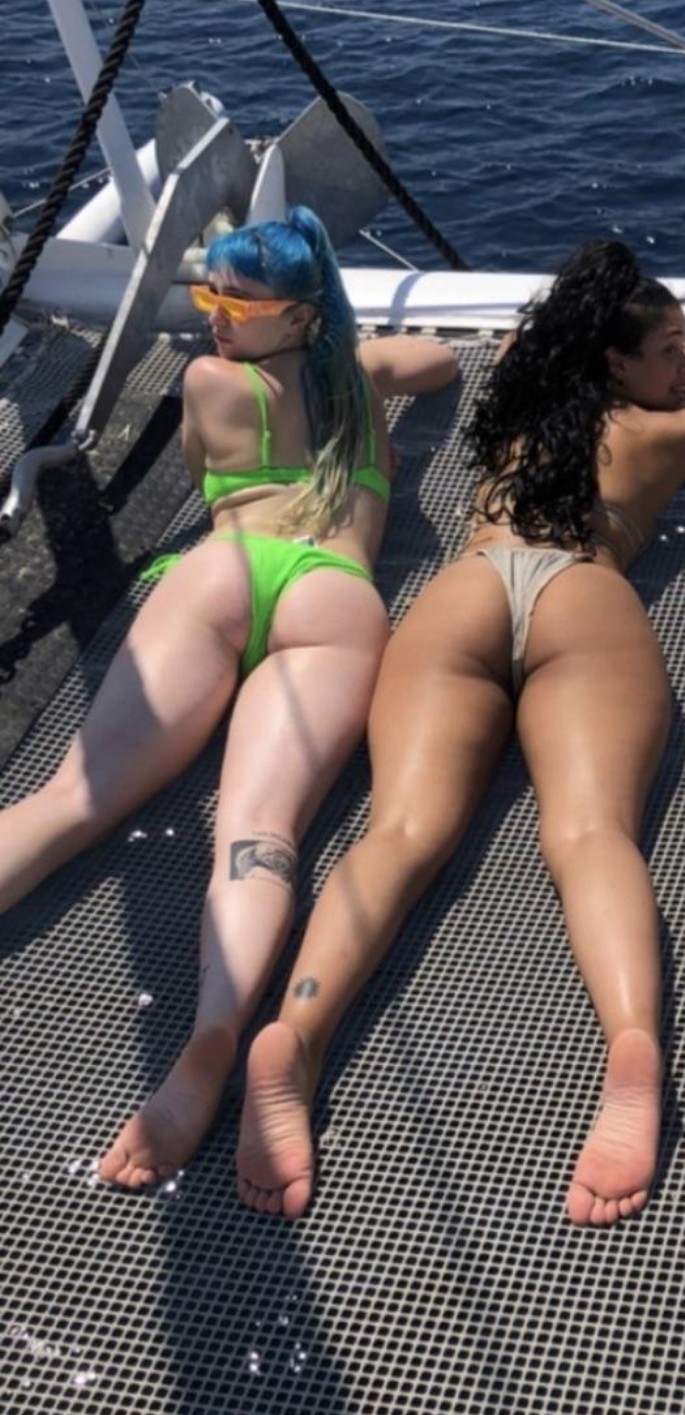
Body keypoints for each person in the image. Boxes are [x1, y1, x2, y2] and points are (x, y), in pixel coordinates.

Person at [0, 205, 457, 1188]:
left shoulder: (210, 384)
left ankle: (210, 1047)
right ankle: (213, 1037)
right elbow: (439, 363)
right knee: (259, 831)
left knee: (77, 796)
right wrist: (356, 356)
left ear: (293, 314)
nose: (211, 315)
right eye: (209, 292)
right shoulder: (359, 376)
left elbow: (208, 473)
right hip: (332, 597)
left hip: (224, 573)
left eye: (235, 303)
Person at [234, 238, 685, 1225]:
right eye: (670, 352)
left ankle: (296, 1032)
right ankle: (631, 1045)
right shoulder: (662, 433)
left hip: (466, 590)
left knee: (398, 831)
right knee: (590, 833)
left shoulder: (521, 400)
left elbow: (529, 339)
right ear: (615, 363)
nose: (681, 367)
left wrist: (590, 323)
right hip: (580, 591)